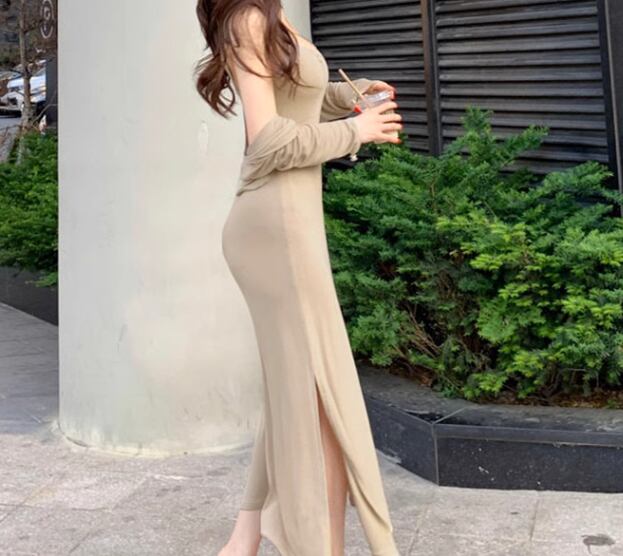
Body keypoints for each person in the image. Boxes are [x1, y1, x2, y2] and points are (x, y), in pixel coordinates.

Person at [195, 2, 403, 555]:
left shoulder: (272, 11)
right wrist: (357, 131)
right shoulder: (247, 17)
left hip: (290, 223)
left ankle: (244, 538)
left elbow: (297, 94)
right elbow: (267, 140)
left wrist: (349, 96)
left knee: (296, 387)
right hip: (275, 230)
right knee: (318, 405)